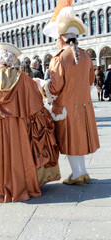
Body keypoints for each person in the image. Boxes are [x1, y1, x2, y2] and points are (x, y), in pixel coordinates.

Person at [0, 42, 60, 203]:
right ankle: (25, 184)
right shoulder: (23, 79)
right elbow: (35, 104)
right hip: (19, 127)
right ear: (13, 61)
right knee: (21, 153)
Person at [34, 0, 100, 185]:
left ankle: (77, 174)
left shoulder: (59, 58)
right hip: (84, 106)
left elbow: (53, 88)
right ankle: (82, 172)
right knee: (79, 141)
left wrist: (40, 83)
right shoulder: (86, 56)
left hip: (65, 108)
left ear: (62, 38)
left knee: (71, 142)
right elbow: (90, 81)